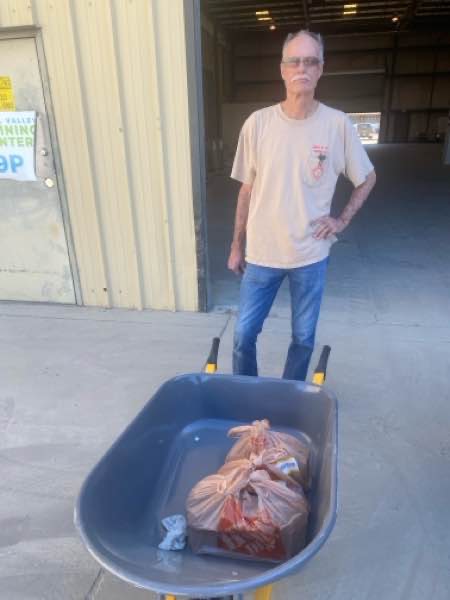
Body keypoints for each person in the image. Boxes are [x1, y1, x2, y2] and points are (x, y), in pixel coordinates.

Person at [228, 30, 376, 381]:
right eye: (294, 61)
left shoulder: (337, 125)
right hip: (262, 254)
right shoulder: (258, 123)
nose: (302, 68)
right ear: (282, 69)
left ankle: (289, 395)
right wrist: (236, 245)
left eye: (310, 61)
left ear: (321, 69)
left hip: (310, 256)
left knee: (304, 338)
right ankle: (245, 392)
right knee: (243, 335)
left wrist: (341, 221)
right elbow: (246, 190)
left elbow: (367, 177)